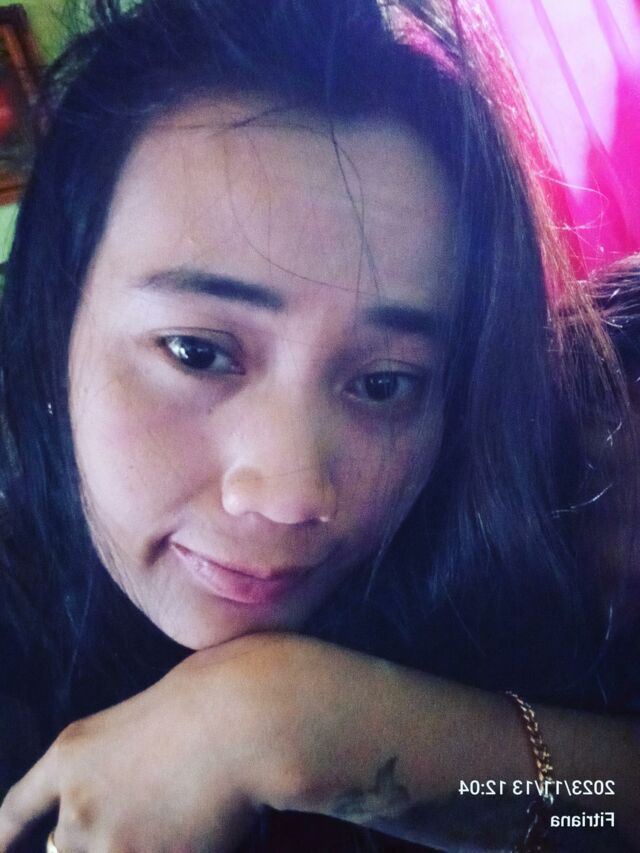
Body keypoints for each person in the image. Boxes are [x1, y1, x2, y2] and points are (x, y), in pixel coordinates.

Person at [0, 0, 638, 850]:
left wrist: (288, 724)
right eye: (197, 351)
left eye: (383, 383)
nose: (292, 493)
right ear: (51, 328)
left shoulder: (514, 540)